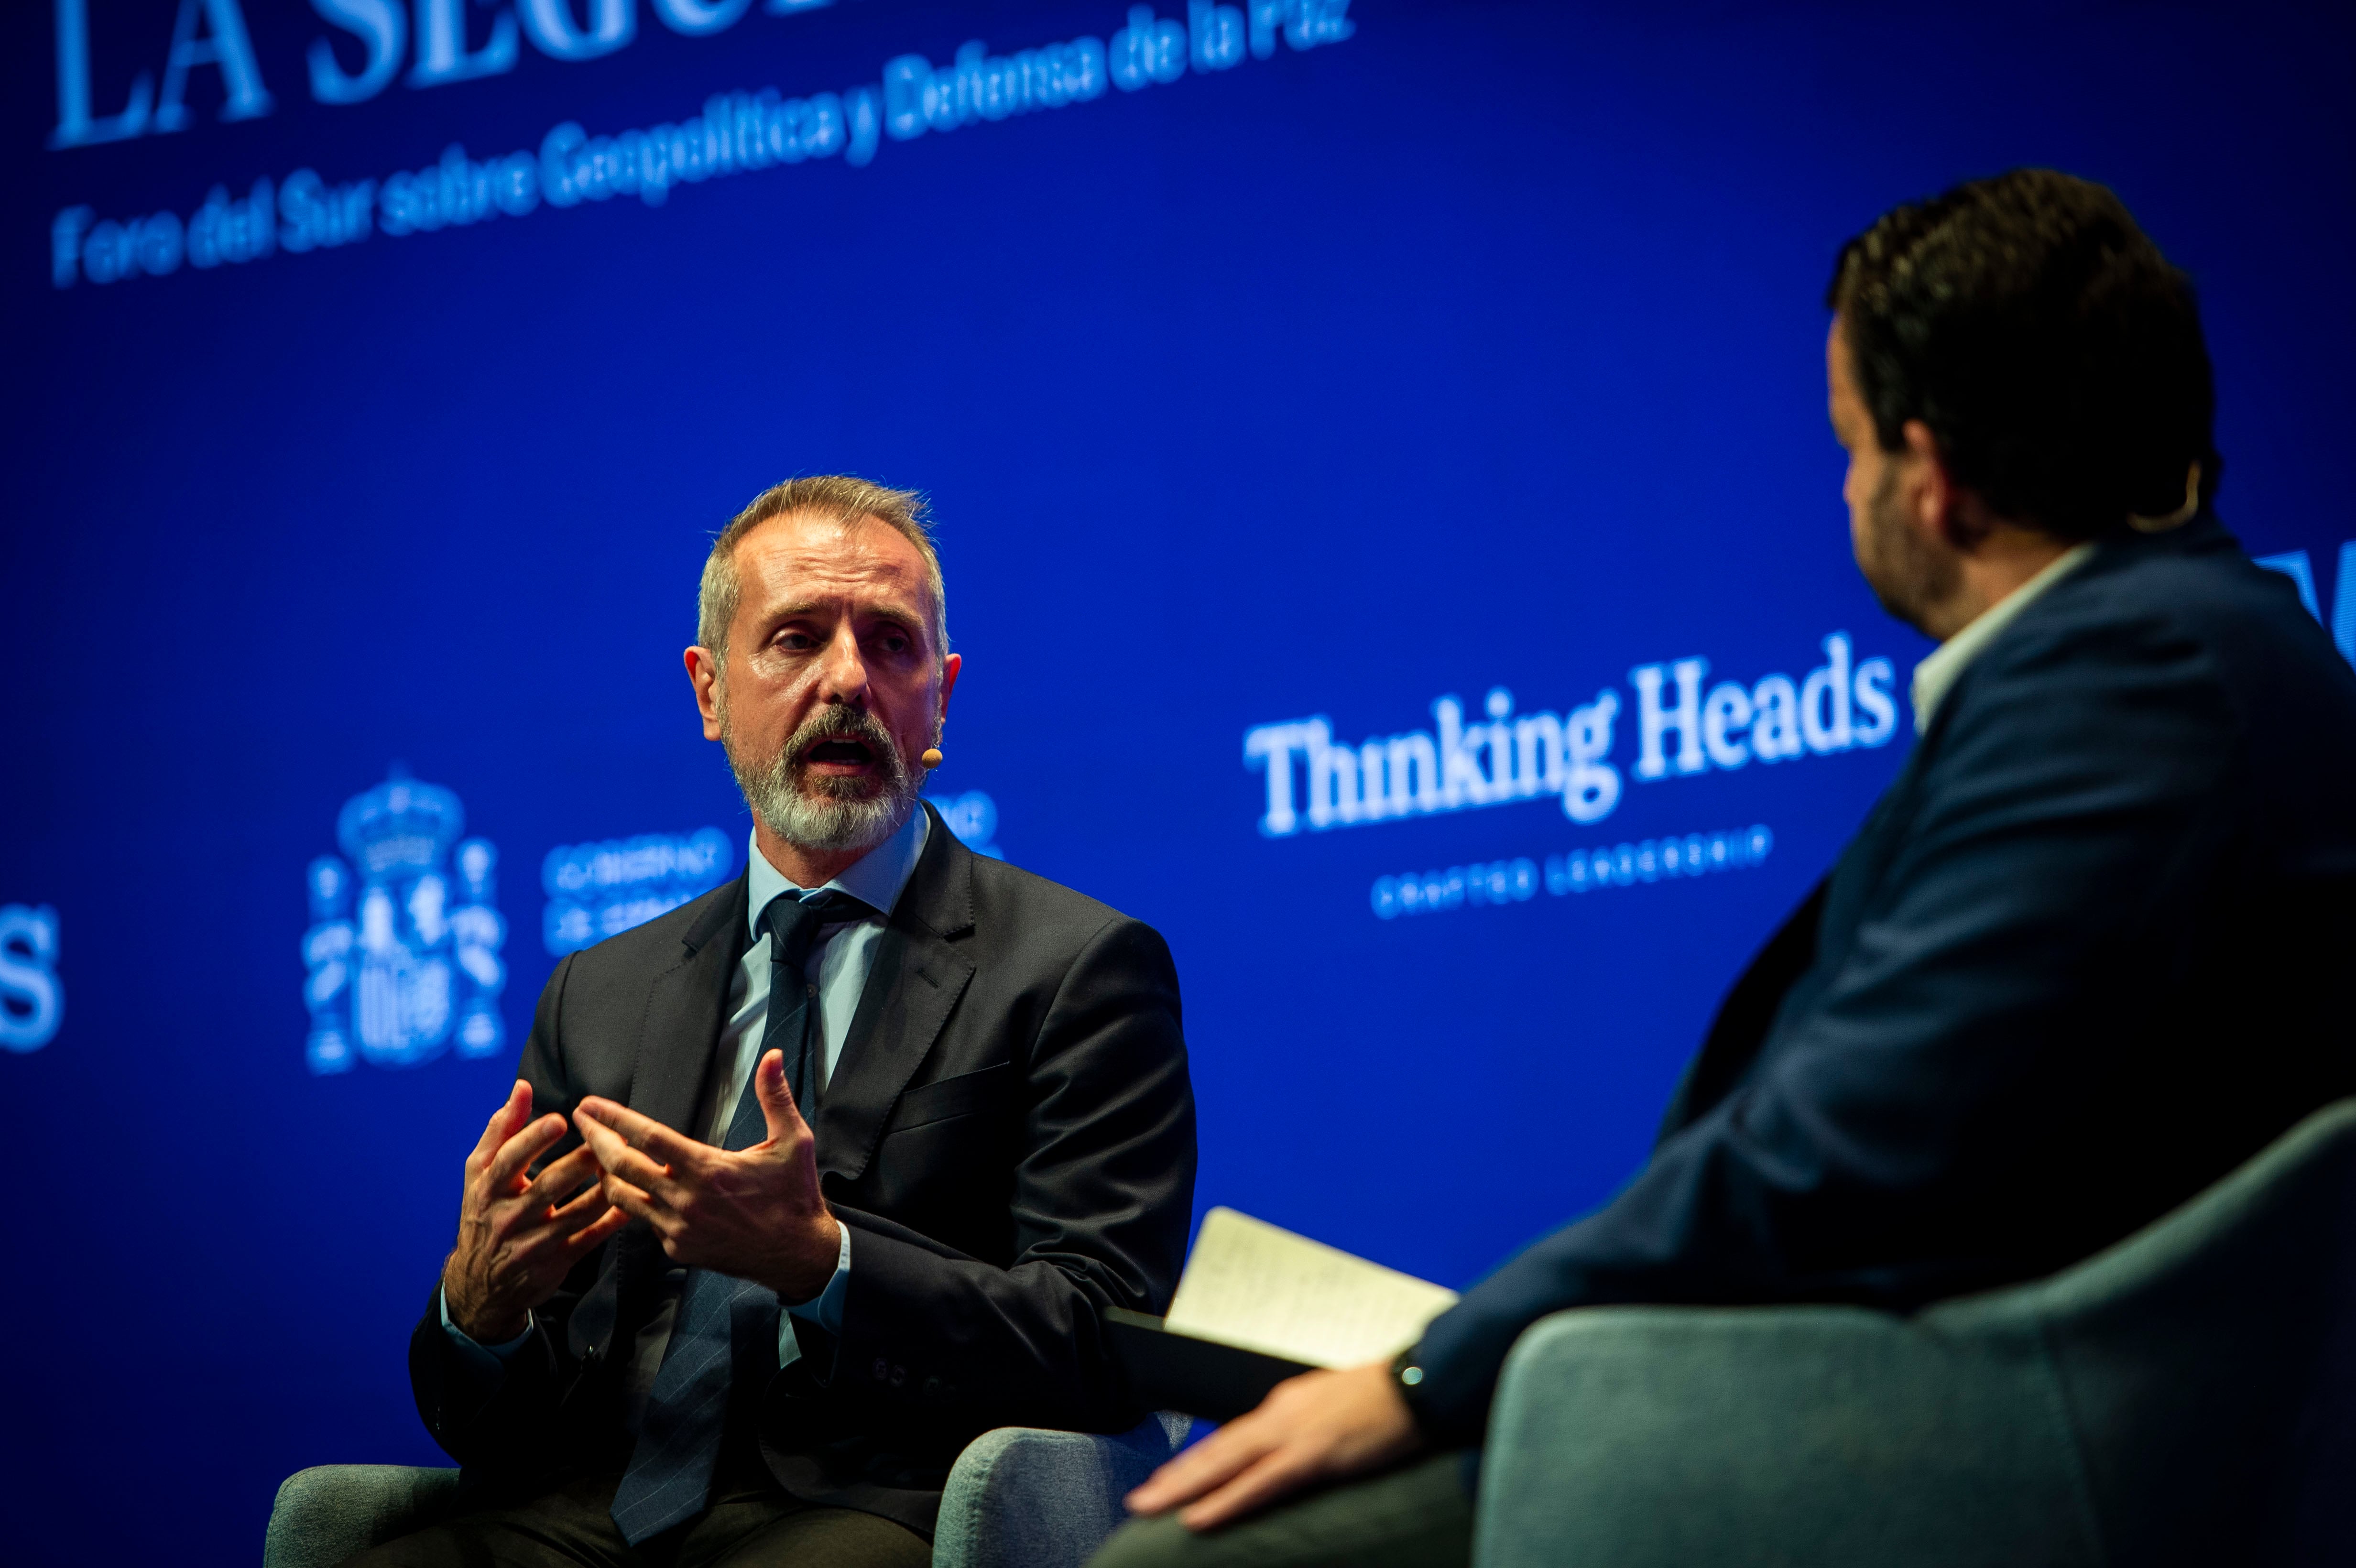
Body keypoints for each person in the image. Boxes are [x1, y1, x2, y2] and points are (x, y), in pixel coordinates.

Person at [1093, 168, 2356, 1568]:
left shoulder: (2139, 676)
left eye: (1851, 448)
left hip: (1984, 1439)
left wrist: (1427, 1376)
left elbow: (1840, 1150)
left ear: (1930, 480)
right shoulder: (2186, 650)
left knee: (1173, 1560)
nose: (1848, 488)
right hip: (1940, 1384)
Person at [369, 476, 1197, 1568]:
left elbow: (1102, 1339)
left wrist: (824, 1259)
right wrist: (479, 1316)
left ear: (940, 700)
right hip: (582, 1515)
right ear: (709, 691)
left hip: (868, 1508)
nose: (847, 678)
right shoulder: (600, 993)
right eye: (797, 638)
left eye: (891, 644)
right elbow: (506, 1414)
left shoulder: (1074, 966)